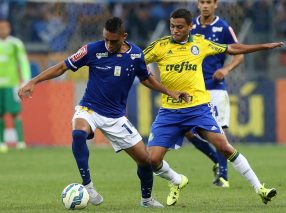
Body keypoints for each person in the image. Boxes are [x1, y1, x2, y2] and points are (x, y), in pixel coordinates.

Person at [18, 17, 188, 208]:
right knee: (78, 133)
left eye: (113, 41)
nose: (108, 44)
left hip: (116, 117)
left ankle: (147, 200)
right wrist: (34, 81)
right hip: (89, 108)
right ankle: (88, 186)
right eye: (106, 39)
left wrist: (169, 92)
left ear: (124, 37)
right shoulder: (91, 49)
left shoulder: (136, 55)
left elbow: (147, 79)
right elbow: (62, 67)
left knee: (145, 161)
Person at [143, 8, 282, 206]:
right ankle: (176, 180)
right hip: (170, 112)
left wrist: (263, 47)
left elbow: (232, 48)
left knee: (225, 147)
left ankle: (260, 188)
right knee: (152, 160)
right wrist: (141, 67)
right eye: (172, 26)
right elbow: (136, 59)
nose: (175, 30)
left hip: (198, 109)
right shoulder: (160, 46)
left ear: (190, 27)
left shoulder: (200, 43)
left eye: (180, 27)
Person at [183, 0, 245, 188]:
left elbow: (239, 53)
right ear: (197, 4)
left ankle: (223, 176)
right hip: (192, 88)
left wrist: (226, 70)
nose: (205, 5)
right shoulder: (189, 26)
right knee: (187, 131)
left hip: (215, 88)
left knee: (218, 130)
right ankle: (217, 162)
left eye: (209, 2)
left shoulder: (223, 27)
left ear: (215, 4)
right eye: (202, 2)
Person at [0, 19, 31, 153]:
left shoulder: (15, 44)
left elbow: (23, 62)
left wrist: (25, 80)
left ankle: (20, 142)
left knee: (15, 113)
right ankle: (1, 142)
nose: (3, 30)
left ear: (9, 28)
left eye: (5, 27)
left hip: (12, 84)